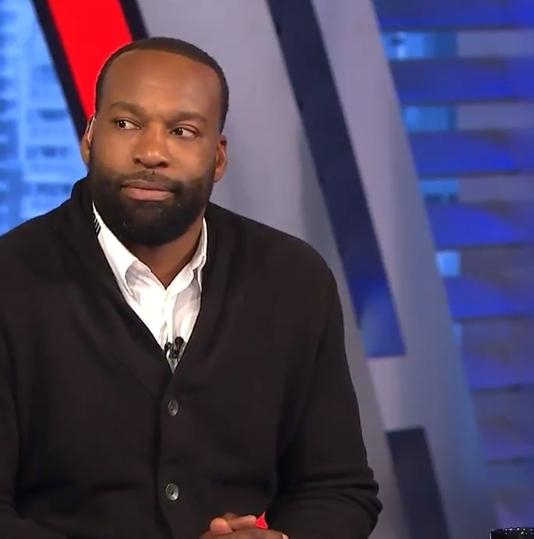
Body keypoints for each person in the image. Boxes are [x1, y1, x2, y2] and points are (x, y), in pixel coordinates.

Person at [0, 37, 381, 539]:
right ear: (89, 138)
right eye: (126, 124)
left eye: (182, 131)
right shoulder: (11, 281)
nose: (151, 152)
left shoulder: (293, 279)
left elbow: (336, 489)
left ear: (218, 157)